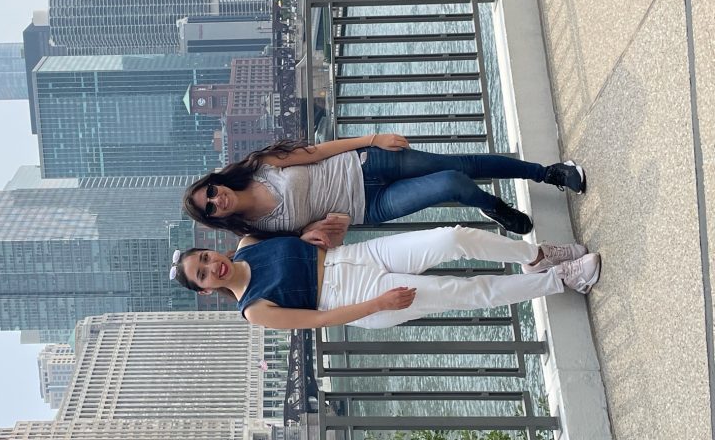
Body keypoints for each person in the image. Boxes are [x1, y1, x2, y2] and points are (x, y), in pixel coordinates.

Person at [182, 135, 585, 246]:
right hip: (369, 206)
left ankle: (548, 173)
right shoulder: (257, 233)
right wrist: (309, 235)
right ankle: (491, 205)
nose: (217, 200)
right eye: (211, 207)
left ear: (217, 181)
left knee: (463, 164)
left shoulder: (261, 168)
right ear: (216, 218)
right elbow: (303, 246)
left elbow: (317, 151)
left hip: (367, 163)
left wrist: (372, 139)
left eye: (211, 192)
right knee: (454, 183)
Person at [170, 227, 600, 330]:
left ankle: (537, 255)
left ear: (213, 248)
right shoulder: (255, 310)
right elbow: (322, 321)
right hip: (357, 296)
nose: (211, 267)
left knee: (451, 237)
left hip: (356, 254)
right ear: (207, 290)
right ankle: (562, 280)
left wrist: (311, 232)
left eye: (205, 257)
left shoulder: (248, 242)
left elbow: (301, 239)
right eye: (202, 275)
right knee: (464, 291)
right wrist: (380, 305)